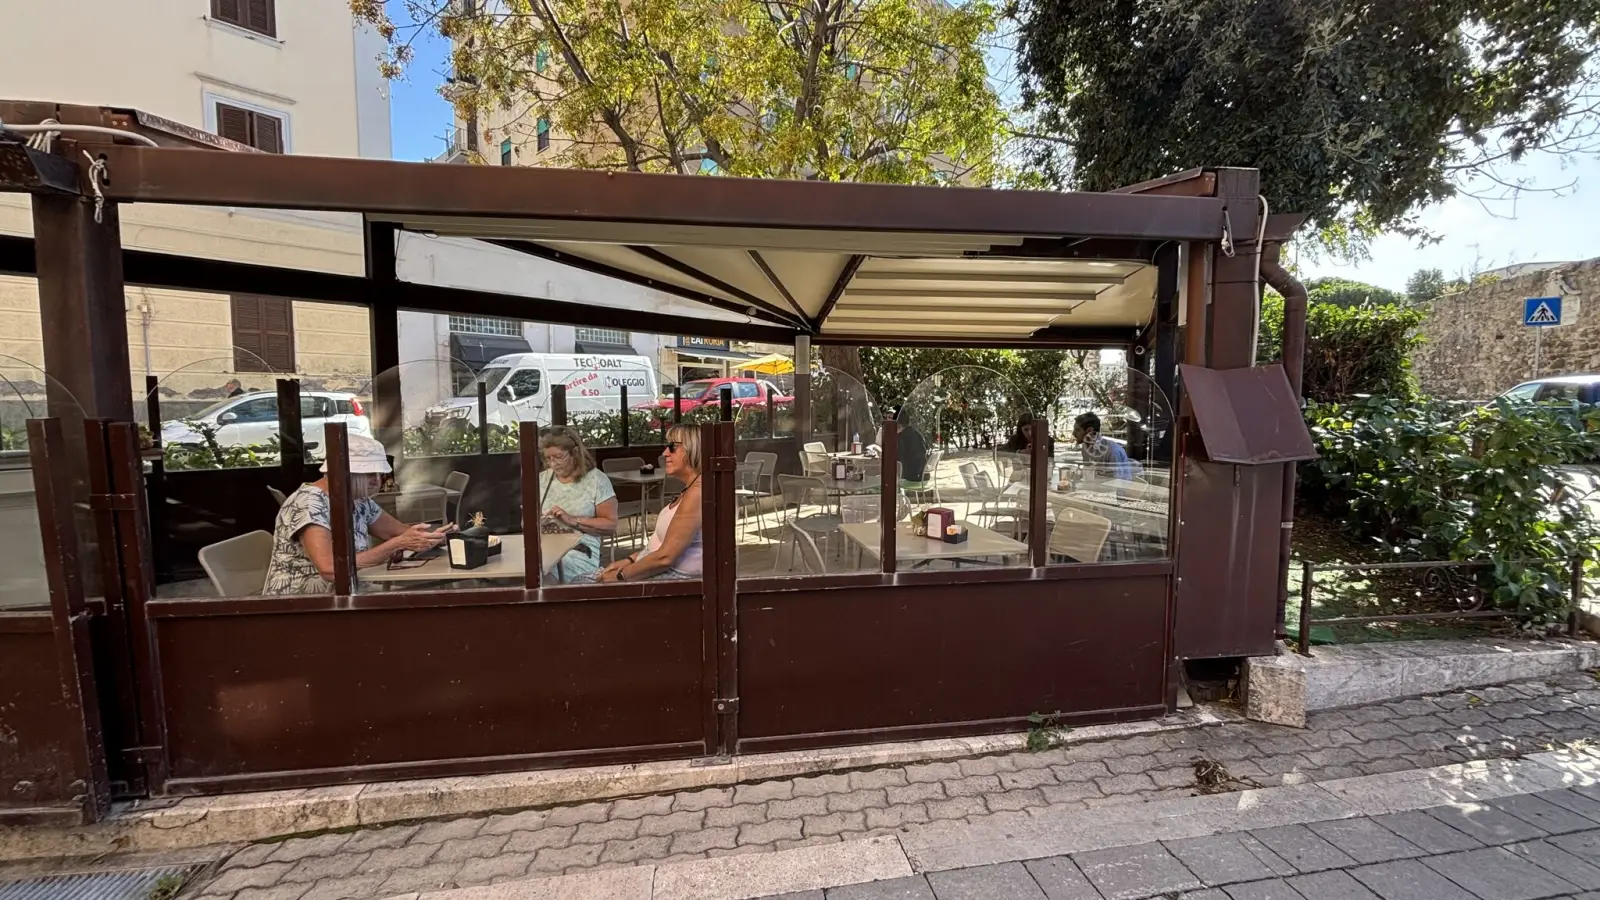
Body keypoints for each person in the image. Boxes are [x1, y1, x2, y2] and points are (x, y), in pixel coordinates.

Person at [263, 433, 453, 594]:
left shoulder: (357, 500)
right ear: (344, 472)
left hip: (349, 593)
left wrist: (435, 536)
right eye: (369, 474)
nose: (376, 480)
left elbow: (397, 532)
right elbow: (330, 569)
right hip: (303, 607)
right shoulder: (309, 503)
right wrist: (397, 544)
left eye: (379, 474)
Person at [595, 424, 702, 582]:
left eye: (672, 447)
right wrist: (630, 559)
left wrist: (621, 576)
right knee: (581, 581)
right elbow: (659, 546)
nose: (665, 453)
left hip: (672, 578)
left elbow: (665, 558)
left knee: (578, 585)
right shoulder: (691, 488)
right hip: (653, 569)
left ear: (693, 449)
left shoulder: (698, 492)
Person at [538, 425, 618, 583]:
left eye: (558, 457)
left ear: (574, 453)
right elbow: (526, 523)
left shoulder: (596, 480)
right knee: (529, 571)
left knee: (543, 574)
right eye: (548, 458)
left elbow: (611, 525)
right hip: (544, 547)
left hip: (578, 550)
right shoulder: (542, 479)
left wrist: (572, 520)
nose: (553, 464)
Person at [1074, 412, 1138, 482]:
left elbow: (1117, 482)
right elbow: (1087, 474)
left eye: (1077, 430)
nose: (1073, 433)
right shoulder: (1085, 448)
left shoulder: (1113, 451)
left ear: (1089, 430)